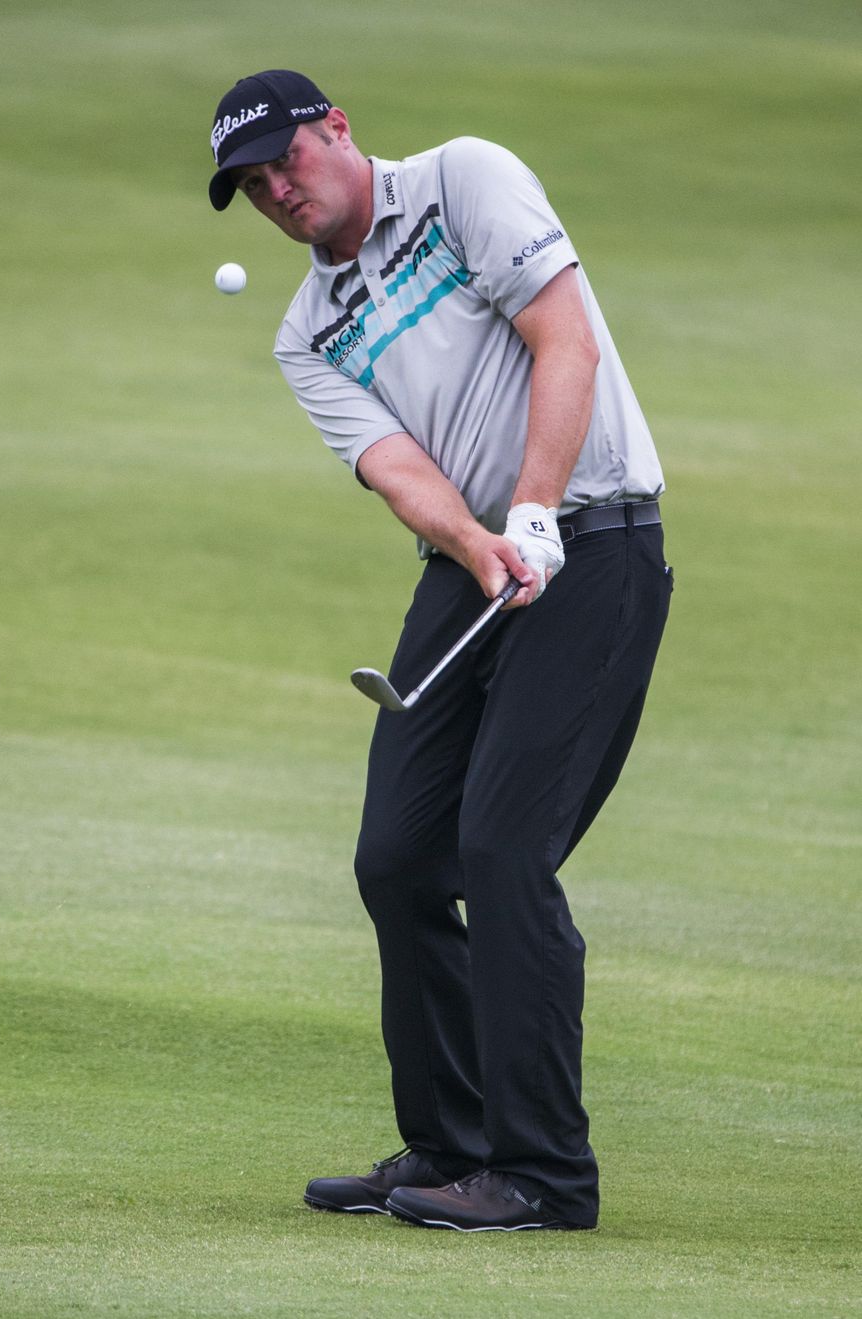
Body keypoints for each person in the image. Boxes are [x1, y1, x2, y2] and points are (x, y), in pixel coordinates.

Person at [208, 69, 672, 1233]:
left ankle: (543, 1175)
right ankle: (446, 1142)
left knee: (503, 846)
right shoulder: (306, 330)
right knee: (398, 853)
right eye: (252, 184)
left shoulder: (465, 179)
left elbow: (561, 340)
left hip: (596, 537)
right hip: (475, 563)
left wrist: (533, 506)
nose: (274, 189)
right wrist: (478, 539)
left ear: (337, 129)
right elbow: (396, 468)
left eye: (285, 160)